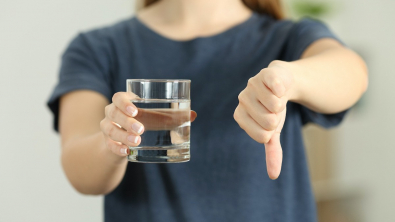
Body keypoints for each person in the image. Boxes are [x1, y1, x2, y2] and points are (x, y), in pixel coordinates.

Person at [47, 0, 368, 221]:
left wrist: (287, 80)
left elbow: (352, 73)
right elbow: (79, 168)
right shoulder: (97, 48)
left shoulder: (287, 38)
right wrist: (112, 142)